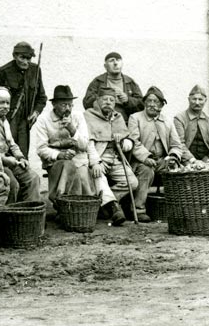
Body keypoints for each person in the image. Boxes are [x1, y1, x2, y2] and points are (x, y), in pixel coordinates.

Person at [84, 87, 140, 226]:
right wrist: (95, 162)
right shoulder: (88, 116)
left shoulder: (118, 117)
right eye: (105, 99)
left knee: (132, 182)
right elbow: (88, 143)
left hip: (114, 156)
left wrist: (124, 141)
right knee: (98, 175)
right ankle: (115, 207)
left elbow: (126, 140)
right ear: (97, 100)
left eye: (111, 100)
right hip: (98, 155)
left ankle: (104, 203)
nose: (108, 102)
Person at [34, 85, 96, 207]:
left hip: (78, 158)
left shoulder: (78, 116)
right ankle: (62, 202)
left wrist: (72, 128)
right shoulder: (43, 119)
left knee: (82, 177)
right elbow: (41, 149)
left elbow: (84, 145)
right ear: (54, 105)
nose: (68, 108)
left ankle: (77, 208)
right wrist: (59, 154)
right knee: (67, 166)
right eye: (63, 105)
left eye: (70, 104)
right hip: (56, 161)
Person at [128, 86, 183, 221]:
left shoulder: (167, 121)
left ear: (162, 105)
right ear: (144, 103)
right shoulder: (135, 118)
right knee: (146, 171)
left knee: (177, 171)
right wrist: (146, 157)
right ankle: (138, 209)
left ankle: (176, 208)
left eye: (156, 102)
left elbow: (176, 144)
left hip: (162, 160)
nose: (152, 105)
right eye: (149, 101)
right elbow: (134, 142)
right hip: (140, 161)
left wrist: (173, 157)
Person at [0, 86, 41, 204]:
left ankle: (29, 215)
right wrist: (7, 160)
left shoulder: (3, 119)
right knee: (11, 183)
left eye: (8, 103)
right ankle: (9, 218)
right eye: (2, 103)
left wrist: (20, 157)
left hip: (8, 160)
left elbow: (12, 144)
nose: (6, 107)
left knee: (33, 177)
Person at [0, 41, 47, 156]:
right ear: (14, 56)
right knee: (6, 153)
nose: (26, 62)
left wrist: (36, 112)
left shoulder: (36, 70)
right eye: (22, 58)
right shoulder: (3, 72)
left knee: (22, 155)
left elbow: (42, 98)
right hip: (7, 120)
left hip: (25, 122)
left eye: (29, 58)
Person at [83, 52, 144, 122]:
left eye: (118, 60)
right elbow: (87, 103)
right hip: (102, 121)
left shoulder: (130, 82)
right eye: (111, 60)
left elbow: (142, 105)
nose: (115, 63)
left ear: (122, 64)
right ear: (105, 66)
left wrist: (128, 100)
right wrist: (102, 99)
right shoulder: (98, 81)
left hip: (125, 122)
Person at [173, 84, 209, 168]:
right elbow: (179, 144)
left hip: (207, 160)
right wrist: (193, 161)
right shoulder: (179, 118)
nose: (197, 102)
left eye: (200, 99)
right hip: (186, 161)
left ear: (205, 100)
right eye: (194, 99)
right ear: (189, 100)